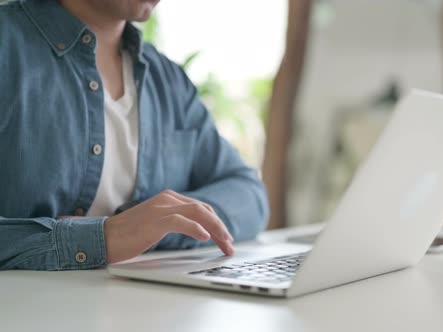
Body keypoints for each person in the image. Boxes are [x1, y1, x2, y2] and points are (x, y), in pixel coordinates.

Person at [0, 0, 269, 270]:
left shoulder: (168, 80)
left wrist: (153, 225)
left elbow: (248, 195)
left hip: (145, 307)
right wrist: (102, 237)